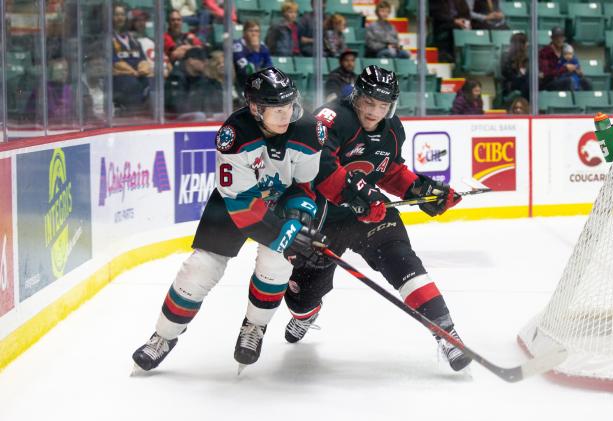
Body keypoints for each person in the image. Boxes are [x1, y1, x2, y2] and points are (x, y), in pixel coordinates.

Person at [132, 67, 327, 372]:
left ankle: (255, 327)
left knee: (277, 263)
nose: (285, 115)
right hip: (235, 202)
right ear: (255, 108)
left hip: (281, 202)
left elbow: (303, 187)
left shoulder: (308, 130)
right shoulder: (234, 135)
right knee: (200, 267)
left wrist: (298, 217)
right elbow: (242, 205)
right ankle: (163, 336)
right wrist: (285, 234)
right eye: (276, 109)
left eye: (288, 106)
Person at [282, 65, 472, 372]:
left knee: (403, 262)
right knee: (302, 297)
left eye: (383, 105)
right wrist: (358, 196)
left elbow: (391, 170)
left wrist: (421, 189)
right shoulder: (330, 119)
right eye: (369, 103)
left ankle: (446, 333)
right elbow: (320, 167)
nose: (374, 112)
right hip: (323, 222)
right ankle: (306, 314)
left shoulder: (393, 129)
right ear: (356, 97)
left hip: (372, 214)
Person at [112, 2, 152, 114]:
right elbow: (114, 63)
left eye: (122, 14)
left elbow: (143, 59)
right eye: (116, 14)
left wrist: (142, 68)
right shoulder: (108, 39)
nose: (120, 17)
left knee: (154, 82)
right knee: (132, 83)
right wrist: (133, 72)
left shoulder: (133, 39)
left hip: (137, 76)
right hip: (120, 80)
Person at [164, 47, 222, 120]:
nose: (206, 62)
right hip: (176, 122)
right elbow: (178, 107)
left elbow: (216, 105)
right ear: (191, 60)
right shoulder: (175, 78)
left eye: (207, 60)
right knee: (199, 116)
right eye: (202, 60)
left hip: (200, 120)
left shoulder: (203, 79)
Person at [233, 20, 273, 88]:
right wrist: (255, 51)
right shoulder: (238, 46)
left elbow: (269, 66)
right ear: (244, 33)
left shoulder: (263, 46)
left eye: (256, 31)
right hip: (241, 82)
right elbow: (247, 70)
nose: (254, 34)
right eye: (251, 31)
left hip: (258, 81)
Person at [538, 26, 576, 92]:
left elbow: (574, 64)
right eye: (556, 37)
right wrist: (565, 69)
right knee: (569, 81)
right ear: (552, 38)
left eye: (561, 37)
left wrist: (578, 70)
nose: (559, 40)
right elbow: (546, 74)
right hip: (549, 82)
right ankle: (572, 102)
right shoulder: (545, 52)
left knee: (586, 81)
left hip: (565, 77)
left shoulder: (567, 49)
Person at [501, 32, 529, 101]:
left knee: (529, 81)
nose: (527, 44)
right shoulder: (506, 57)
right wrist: (521, 74)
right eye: (526, 42)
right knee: (527, 81)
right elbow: (507, 75)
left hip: (523, 82)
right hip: (510, 84)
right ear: (521, 44)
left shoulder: (526, 57)